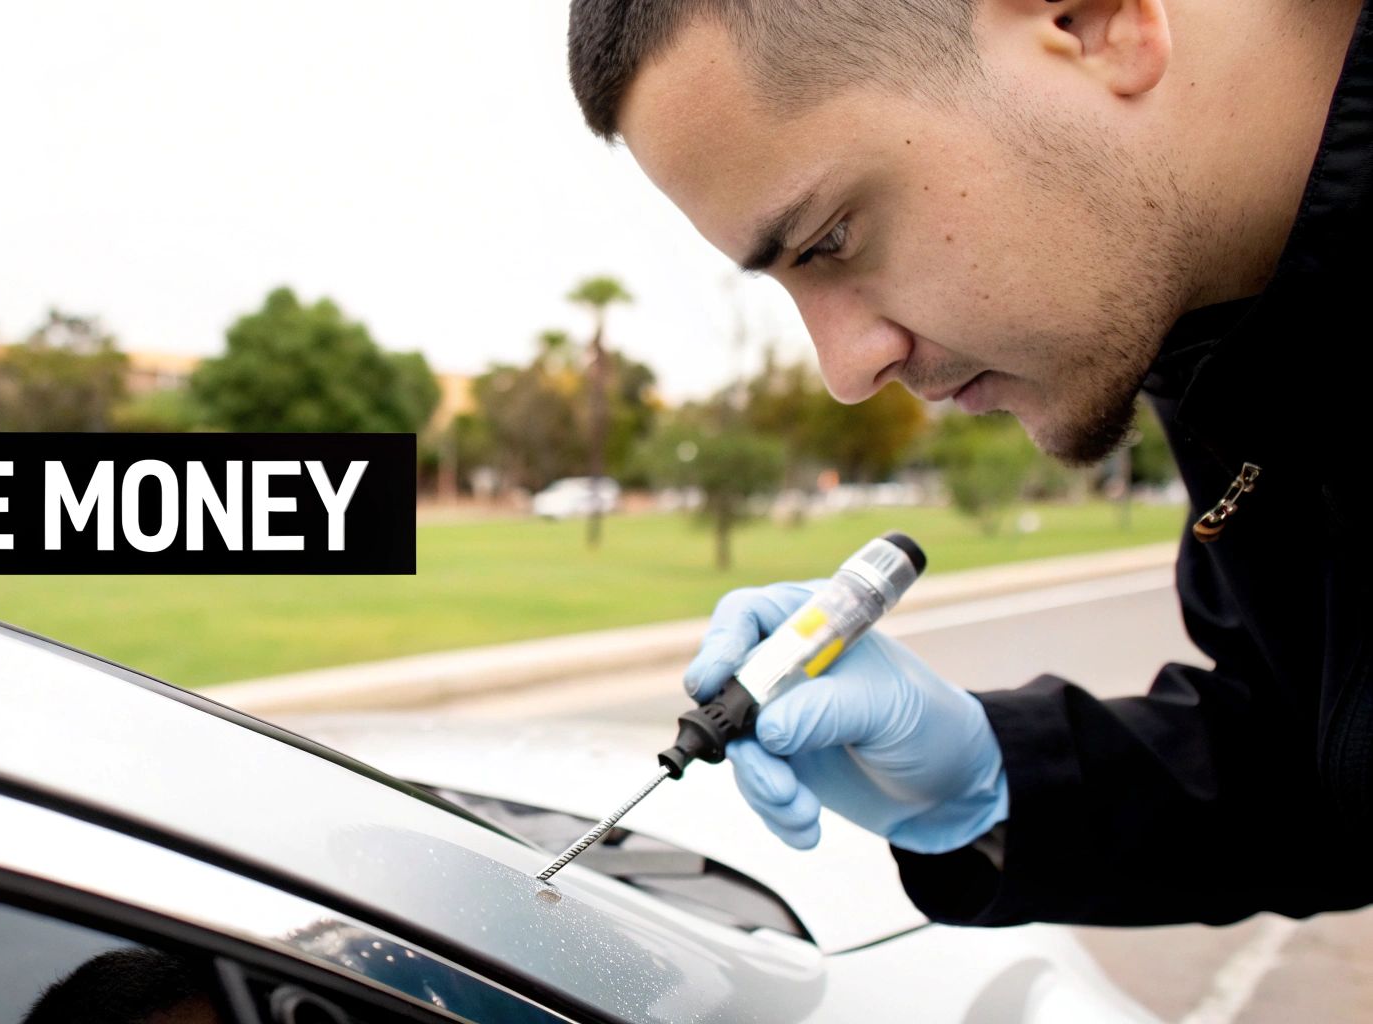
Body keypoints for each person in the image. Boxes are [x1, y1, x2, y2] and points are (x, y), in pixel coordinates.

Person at [565, 0, 1373, 926]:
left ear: (1095, 21)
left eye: (830, 239)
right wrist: (990, 781)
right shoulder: (1216, 324)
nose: (846, 371)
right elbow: (1320, 761)